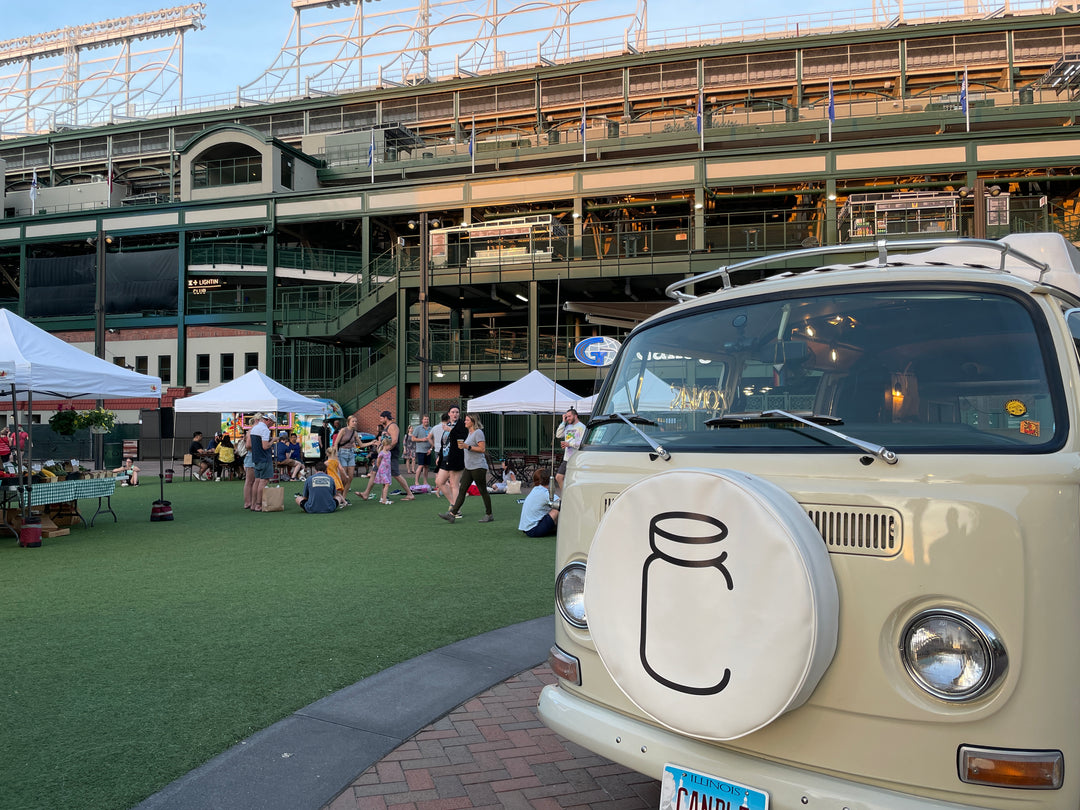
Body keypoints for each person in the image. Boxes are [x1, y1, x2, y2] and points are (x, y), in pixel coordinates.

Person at [438, 413, 494, 523]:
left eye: (467, 420)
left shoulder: (478, 433)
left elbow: (482, 449)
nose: (465, 421)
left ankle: (489, 514)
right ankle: (452, 514)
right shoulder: (469, 433)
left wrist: (467, 446)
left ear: (473, 421)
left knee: (482, 490)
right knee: (462, 490)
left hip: (478, 467)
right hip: (469, 467)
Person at [356, 410, 415, 502]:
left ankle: (410, 494)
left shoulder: (393, 426)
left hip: (390, 455)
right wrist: (379, 444)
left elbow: (394, 441)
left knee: (396, 474)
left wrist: (385, 450)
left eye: (381, 418)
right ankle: (366, 493)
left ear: (386, 418)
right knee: (374, 471)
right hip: (383, 454)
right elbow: (386, 441)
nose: (380, 420)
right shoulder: (386, 427)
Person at [436, 406, 467, 504]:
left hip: (456, 458)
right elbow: (444, 442)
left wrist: (450, 430)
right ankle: (453, 504)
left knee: (454, 484)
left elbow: (462, 437)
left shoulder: (462, 424)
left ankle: (456, 510)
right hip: (445, 458)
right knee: (439, 482)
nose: (455, 414)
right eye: (453, 412)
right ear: (449, 414)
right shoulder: (448, 424)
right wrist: (440, 456)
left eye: (457, 412)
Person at [518, 468, 560, 537]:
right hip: (533, 530)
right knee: (557, 508)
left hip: (527, 528)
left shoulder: (536, 489)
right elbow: (561, 503)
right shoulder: (545, 493)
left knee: (554, 508)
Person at [245, 413, 274, 511]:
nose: (272, 425)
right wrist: (273, 441)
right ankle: (258, 504)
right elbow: (265, 446)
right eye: (272, 423)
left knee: (256, 481)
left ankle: (253, 504)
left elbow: (249, 445)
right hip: (264, 458)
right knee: (263, 481)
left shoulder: (254, 428)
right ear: (269, 420)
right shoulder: (265, 430)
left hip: (256, 458)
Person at [554, 407, 585, 492]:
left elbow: (582, 444)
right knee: (559, 477)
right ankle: (565, 496)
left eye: (569, 416)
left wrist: (569, 444)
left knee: (574, 480)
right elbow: (558, 435)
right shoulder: (567, 427)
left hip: (577, 458)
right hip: (567, 458)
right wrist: (563, 422)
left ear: (575, 416)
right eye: (566, 416)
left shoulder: (582, 427)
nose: (567, 418)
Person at [331, 415, 359, 492]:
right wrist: (336, 454)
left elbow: (361, 444)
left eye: (356, 421)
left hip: (351, 453)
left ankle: (344, 497)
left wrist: (372, 442)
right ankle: (339, 495)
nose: (354, 423)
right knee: (344, 477)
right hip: (342, 453)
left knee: (350, 477)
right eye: (353, 421)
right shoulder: (343, 430)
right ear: (348, 422)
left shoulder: (355, 433)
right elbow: (336, 443)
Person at [428, 412, 449, 498]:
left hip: (437, 449)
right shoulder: (448, 427)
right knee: (446, 469)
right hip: (446, 450)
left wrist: (432, 445)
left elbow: (428, 437)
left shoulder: (435, 427)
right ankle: (443, 487)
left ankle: (439, 487)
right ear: (448, 419)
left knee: (439, 469)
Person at [410, 415, 432, 488]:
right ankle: (416, 481)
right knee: (420, 466)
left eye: (427, 419)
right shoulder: (418, 428)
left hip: (428, 450)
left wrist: (431, 449)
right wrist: (421, 439)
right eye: (425, 419)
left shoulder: (431, 429)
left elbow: (433, 440)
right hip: (420, 450)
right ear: (422, 420)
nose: (426, 421)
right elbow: (413, 439)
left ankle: (425, 481)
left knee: (426, 467)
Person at [372, 434, 394, 505]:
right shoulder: (381, 453)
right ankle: (384, 500)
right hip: (382, 470)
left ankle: (382, 498)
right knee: (387, 484)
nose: (390, 447)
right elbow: (378, 462)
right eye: (389, 445)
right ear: (386, 445)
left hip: (387, 470)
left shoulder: (389, 453)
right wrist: (380, 469)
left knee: (385, 485)